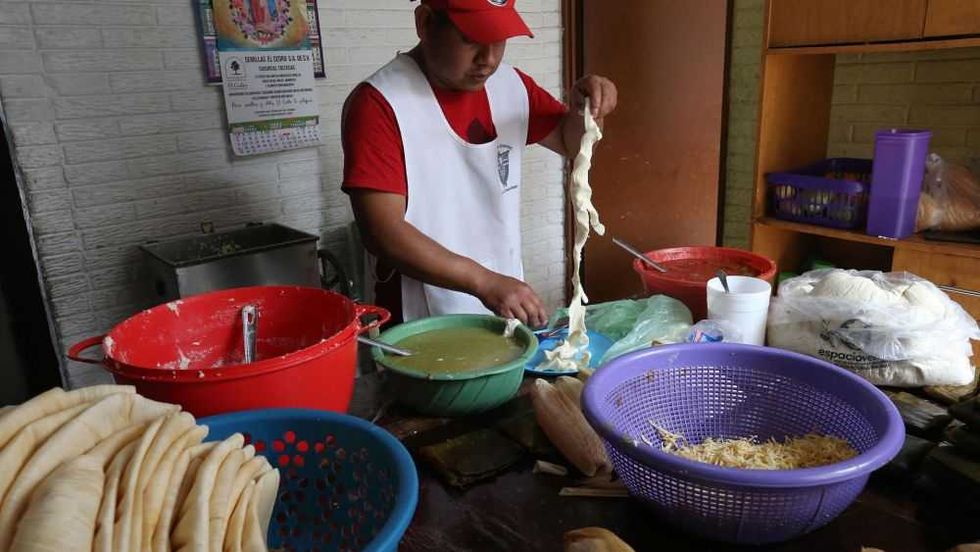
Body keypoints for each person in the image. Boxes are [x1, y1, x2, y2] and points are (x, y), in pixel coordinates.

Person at [341, 0, 617, 328]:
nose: (488, 60)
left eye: (498, 39)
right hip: (419, 324)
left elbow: (570, 143)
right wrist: (484, 282)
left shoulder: (511, 86)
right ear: (425, 22)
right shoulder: (380, 104)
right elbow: (383, 232)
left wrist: (585, 109)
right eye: (470, 39)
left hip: (501, 304)